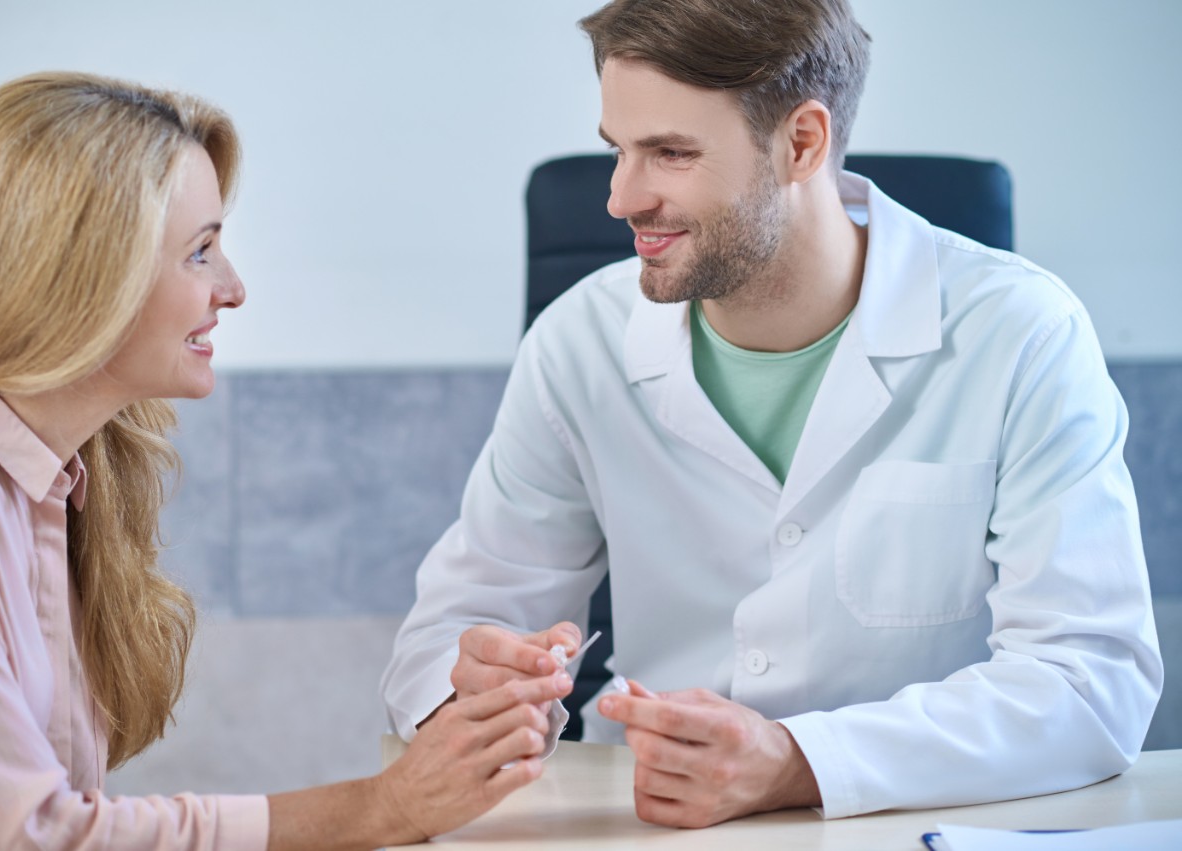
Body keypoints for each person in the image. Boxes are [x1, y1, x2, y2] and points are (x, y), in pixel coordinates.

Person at [381, 0, 1163, 827]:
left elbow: (1090, 677)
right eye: (618, 151)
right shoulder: (579, 341)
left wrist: (797, 760)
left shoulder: (1020, 334)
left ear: (802, 143)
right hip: (656, 824)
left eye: (670, 153)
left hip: (919, 823)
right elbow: (447, 635)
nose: (619, 198)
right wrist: (472, 692)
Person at [0, 72, 572, 850]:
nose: (234, 289)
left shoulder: (56, 478)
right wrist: (382, 808)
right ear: (87, 275)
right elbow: (35, 836)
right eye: (200, 253)